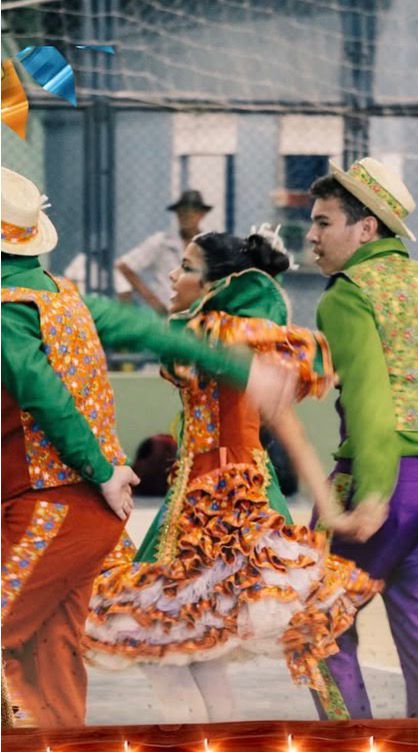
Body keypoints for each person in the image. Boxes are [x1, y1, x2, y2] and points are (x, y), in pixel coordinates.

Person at [0, 168, 290, 728]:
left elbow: (44, 394)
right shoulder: (63, 295)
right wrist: (239, 368)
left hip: (51, 507)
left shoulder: (10, 307)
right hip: (91, 513)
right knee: (48, 658)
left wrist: (101, 468)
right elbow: (143, 329)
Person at [83, 227, 380, 723]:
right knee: (192, 656)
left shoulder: (224, 334)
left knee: (163, 650)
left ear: (217, 284)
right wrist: (330, 510)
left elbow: (284, 425)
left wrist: (332, 510)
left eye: (187, 268)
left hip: (222, 510)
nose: (173, 276)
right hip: (205, 501)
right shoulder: (222, 335)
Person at [305, 157, 418, 719]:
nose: (311, 235)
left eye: (323, 222)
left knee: (317, 623)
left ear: (366, 229)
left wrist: (375, 493)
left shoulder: (348, 292)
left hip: (388, 483)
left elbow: (369, 400)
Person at [113, 190, 213, 315]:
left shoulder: (211, 245)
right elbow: (123, 266)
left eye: (192, 211)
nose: (187, 215)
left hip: (198, 312)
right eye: (182, 211)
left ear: (201, 214)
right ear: (177, 214)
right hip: (165, 313)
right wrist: (151, 299)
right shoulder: (162, 242)